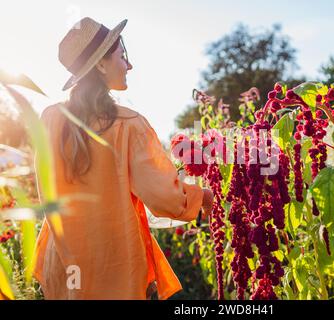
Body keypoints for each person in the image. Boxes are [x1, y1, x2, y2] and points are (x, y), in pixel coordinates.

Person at [32, 17, 214, 300]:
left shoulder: (50, 119)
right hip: (114, 270)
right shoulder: (129, 125)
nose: (129, 65)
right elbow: (166, 198)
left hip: (65, 265)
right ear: (101, 65)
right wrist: (202, 196)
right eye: (122, 56)